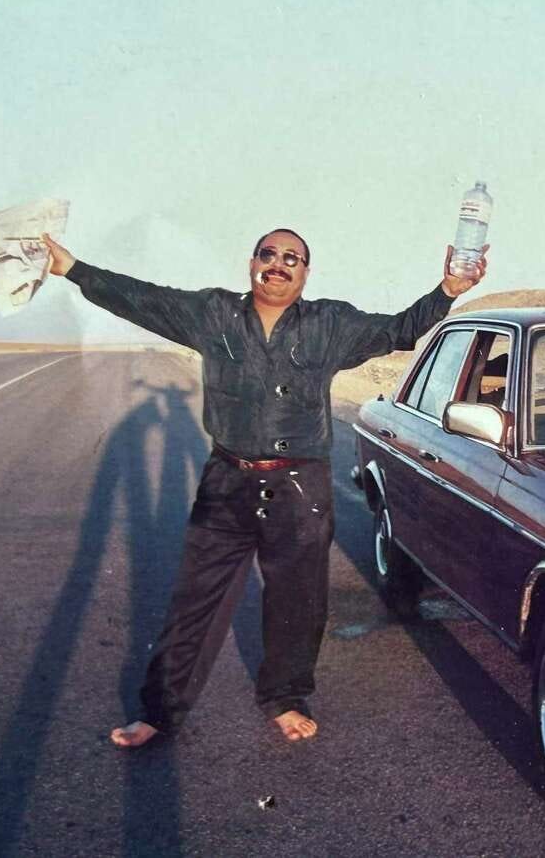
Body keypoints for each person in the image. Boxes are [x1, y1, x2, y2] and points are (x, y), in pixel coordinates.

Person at [42, 228, 486, 746]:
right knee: (194, 602)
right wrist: (72, 268)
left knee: (299, 601)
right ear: (252, 262)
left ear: (305, 272)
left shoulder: (331, 323)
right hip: (226, 478)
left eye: (291, 258)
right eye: (268, 254)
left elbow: (398, 330)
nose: (278, 264)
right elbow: (142, 299)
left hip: (300, 484)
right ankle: (158, 712)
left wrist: (449, 290)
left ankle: (285, 697)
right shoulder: (212, 314)